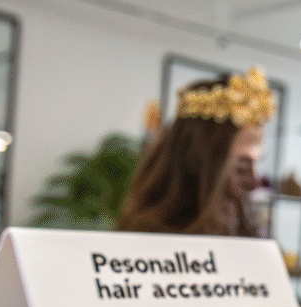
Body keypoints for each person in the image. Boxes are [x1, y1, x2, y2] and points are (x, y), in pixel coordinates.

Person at [116, 67, 276, 236]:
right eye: (241, 167)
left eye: (258, 163)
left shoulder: (246, 239)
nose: (254, 183)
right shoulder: (143, 243)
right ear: (196, 163)